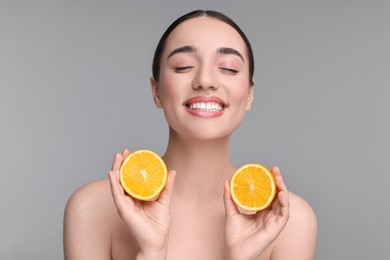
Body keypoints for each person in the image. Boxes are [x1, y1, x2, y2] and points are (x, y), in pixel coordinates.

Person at [64, 10, 317, 260]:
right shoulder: (92, 209)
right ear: (156, 91)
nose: (205, 80)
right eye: (183, 66)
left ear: (249, 94)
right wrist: (151, 252)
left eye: (228, 68)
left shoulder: (290, 222)